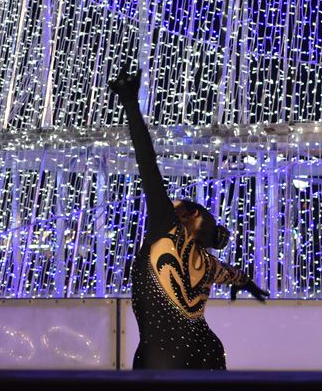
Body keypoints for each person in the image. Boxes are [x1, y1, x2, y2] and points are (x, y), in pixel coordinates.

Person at [109, 70, 268, 370]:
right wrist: (247, 284)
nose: (169, 203)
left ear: (190, 215)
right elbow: (233, 274)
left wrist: (130, 103)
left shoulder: (168, 230)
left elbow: (148, 165)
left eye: (175, 204)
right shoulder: (207, 265)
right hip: (206, 356)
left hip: (162, 362)